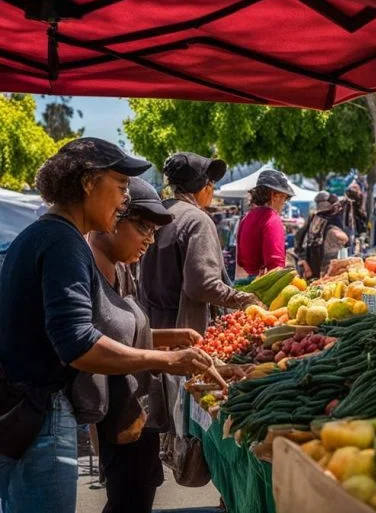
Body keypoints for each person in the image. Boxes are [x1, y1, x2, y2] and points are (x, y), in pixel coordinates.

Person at [0, 139, 213, 513]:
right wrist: (165, 360)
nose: (124, 201)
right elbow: (78, 343)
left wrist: (165, 341)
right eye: (120, 188)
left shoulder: (43, 235)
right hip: (40, 421)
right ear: (88, 183)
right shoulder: (63, 242)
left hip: (25, 416)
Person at [84, 177, 205, 513]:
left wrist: (174, 336)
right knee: (127, 500)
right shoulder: (86, 272)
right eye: (143, 228)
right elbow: (96, 346)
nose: (149, 240)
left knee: (139, 493)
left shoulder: (122, 270)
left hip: (139, 411)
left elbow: (126, 334)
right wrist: (166, 359)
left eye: (154, 231)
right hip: (114, 417)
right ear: (111, 220)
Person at [138, 153, 259, 333]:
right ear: (203, 187)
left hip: (152, 326)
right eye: (210, 183)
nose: (213, 188)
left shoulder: (158, 212)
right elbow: (203, 285)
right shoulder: (197, 220)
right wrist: (244, 299)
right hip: (184, 331)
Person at [236, 169, 293, 277]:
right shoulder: (272, 219)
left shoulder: (247, 217)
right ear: (274, 195)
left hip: (245, 281)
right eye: (284, 197)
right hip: (262, 284)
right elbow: (276, 265)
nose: (284, 202)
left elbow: (240, 259)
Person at [295, 192, 350, 279]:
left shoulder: (338, 214)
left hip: (326, 267)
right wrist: (302, 259)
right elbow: (300, 238)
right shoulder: (315, 218)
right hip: (317, 265)